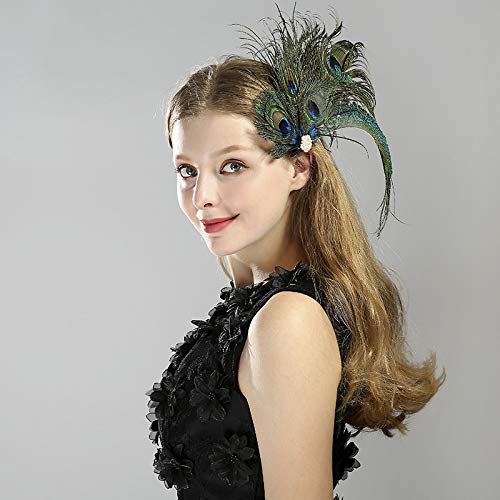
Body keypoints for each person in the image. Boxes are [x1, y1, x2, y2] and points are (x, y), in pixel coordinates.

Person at [146, 4, 446, 499]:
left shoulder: (287, 321)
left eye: (232, 166)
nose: (202, 197)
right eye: (187, 170)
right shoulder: (261, 305)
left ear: (298, 168)